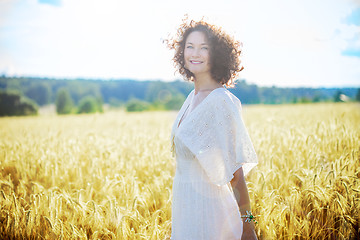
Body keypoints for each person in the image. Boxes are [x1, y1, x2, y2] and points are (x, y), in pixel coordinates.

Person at [168, 19, 258, 240]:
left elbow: (236, 175)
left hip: (212, 217)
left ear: (216, 54)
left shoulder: (221, 102)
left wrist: (248, 228)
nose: (195, 53)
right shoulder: (191, 98)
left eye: (203, 48)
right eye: (190, 46)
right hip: (186, 212)